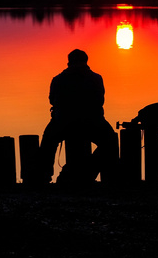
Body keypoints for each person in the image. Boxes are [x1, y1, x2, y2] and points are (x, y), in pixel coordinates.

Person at [40, 48, 118, 184]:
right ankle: (92, 172)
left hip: (63, 123)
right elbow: (100, 101)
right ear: (86, 62)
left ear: (69, 62)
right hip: (92, 122)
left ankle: (43, 176)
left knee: (48, 142)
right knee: (111, 141)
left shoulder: (57, 79)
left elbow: (52, 100)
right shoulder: (96, 78)